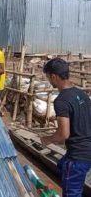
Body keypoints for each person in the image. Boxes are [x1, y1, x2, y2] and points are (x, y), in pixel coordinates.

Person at [41, 58, 91, 197]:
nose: (48, 80)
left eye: (48, 77)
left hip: (78, 156)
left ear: (54, 76)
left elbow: (64, 134)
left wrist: (47, 139)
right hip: (87, 151)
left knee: (71, 193)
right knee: (62, 165)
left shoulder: (61, 100)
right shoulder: (82, 94)